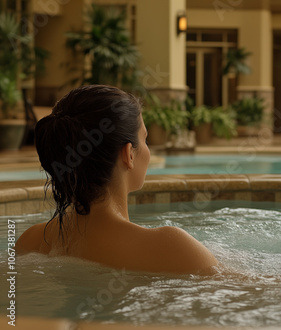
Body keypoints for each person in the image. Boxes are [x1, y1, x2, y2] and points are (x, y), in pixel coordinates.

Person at [15, 85, 218, 275]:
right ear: (128, 154)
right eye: (144, 139)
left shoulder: (32, 241)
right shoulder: (172, 248)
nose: (147, 149)